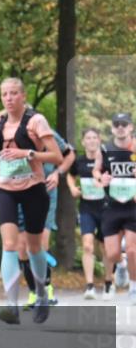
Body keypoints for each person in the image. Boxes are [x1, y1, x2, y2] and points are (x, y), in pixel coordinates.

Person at [0, 79, 62, 325]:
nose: (9, 98)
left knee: (34, 247)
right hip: (5, 189)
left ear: (23, 96)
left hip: (34, 188)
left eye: (14, 93)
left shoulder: (36, 121)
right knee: (10, 244)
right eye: (5, 94)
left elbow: (56, 156)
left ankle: (41, 293)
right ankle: (11, 305)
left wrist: (27, 153)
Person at [17, 128, 73, 309]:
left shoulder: (43, 129)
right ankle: (33, 292)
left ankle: (46, 288)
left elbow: (69, 154)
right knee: (22, 249)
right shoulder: (7, 130)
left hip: (45, 192)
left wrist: (57, 173)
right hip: (18, 192)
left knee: (40, 243)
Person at [94, 112, 136, 305]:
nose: (120, 127)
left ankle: (134, 287)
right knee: (111, 254)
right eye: (117, 124)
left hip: (132, 205)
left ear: (130, 128)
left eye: (124, 124)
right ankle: (120, 265)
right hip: (112, 205)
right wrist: (101, 178)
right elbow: (96, 171)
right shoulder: (104, 149)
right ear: (112, 128)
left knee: (133, 249)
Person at [68, 128, 109, 299]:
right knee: (87, 245)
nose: (91, 141)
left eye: (94, 137)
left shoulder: (106, 161)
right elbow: (70, 176)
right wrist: (72, 188)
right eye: (88, 138)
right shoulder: (79, 161)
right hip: (87, 208)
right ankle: (90, 286)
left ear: (99, 140)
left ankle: (108, 282)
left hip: (106, 208)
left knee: (106, 248)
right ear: (83, 141)